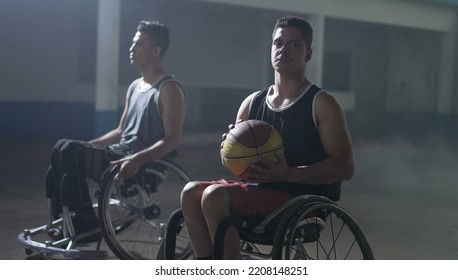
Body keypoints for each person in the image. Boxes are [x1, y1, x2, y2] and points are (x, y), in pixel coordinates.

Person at [180, 15, 354, 259]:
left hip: (298, 201)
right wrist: (228, 151)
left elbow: (345, 167)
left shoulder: (321, 103)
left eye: (294, 44)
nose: (284, 49)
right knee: (190, 192)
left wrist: (290, 173)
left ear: (308, 54)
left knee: (213, 196)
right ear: (271, 49)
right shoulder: (252, 103)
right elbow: (235, 168)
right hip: (256, 192)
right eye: (278, 43)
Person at [46, 20, 186, 240]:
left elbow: (172, 140)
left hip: (141, 162)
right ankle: (65, 221)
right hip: (119, 152)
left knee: (67, 151)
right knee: (61, 151)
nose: (131, 48)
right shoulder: (134, 87)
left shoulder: (169, 89)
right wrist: (90, 145)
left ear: (156, 50)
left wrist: (137, 159)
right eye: (133, 44)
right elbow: (121, 130)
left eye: (138, 44)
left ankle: (84, 221)